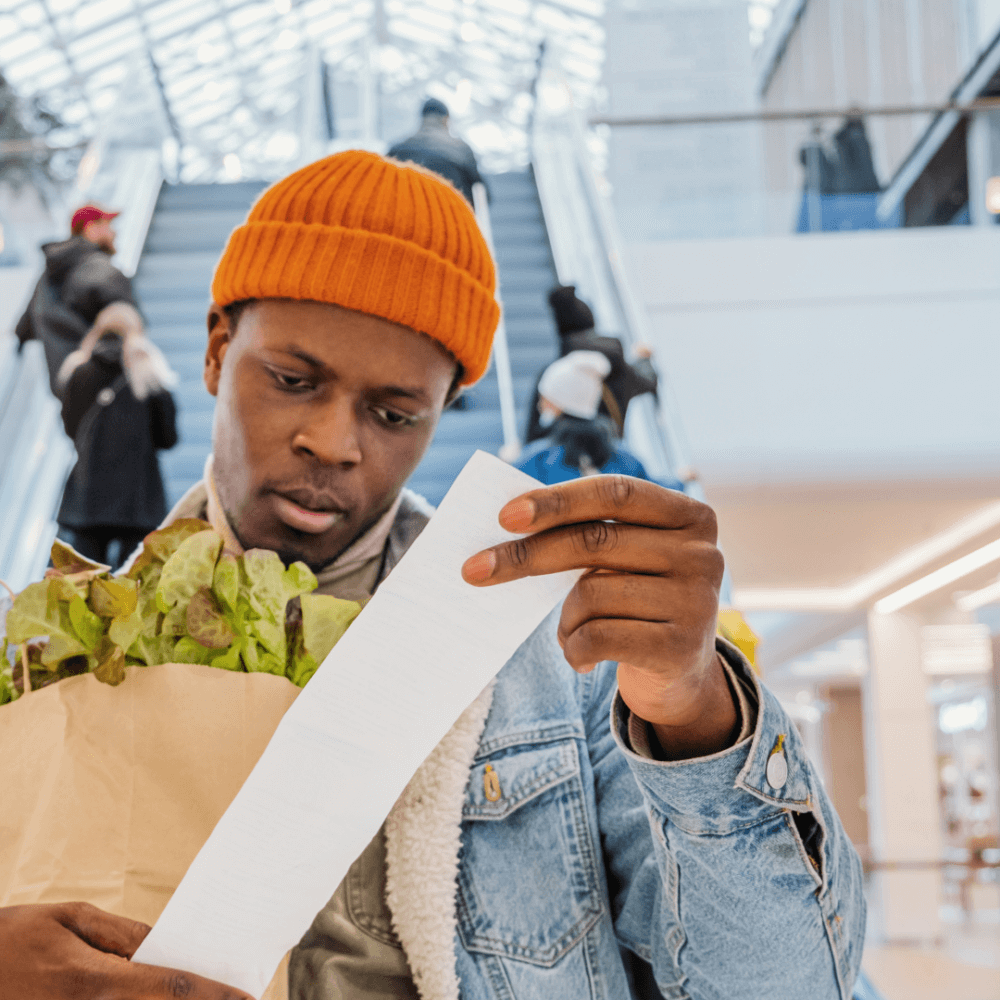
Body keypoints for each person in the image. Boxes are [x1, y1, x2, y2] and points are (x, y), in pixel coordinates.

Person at [0, 151, 865, 1000]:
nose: (335, 444)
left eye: (394, 413)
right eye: (294, 380)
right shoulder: (55, 653)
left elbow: (783, 983)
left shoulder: (569, 667)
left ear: (442, 412)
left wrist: (697, 715)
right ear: (219, 352)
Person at [53, 301, 178, 567]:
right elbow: (168, 438)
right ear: (137, 330)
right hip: (138, 497)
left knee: (84, 581)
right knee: (133, 580)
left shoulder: (78, 371)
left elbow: (70, 429)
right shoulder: (149, 373)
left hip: (89, 495)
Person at [15, 205, 138, 394]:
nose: (114, 232)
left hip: (68, 389)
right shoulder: (102, 271)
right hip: (108, 387)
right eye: (108, 225)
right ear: (90, 228)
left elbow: (25, 328)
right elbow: (129, 323)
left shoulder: (47, 278)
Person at [524, 285, 659, 445]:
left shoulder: (554, 375)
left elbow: (533, 436)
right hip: (610, 460)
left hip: (563, 464)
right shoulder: (618, 369)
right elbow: (648, 379)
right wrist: (643, 358)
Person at [516, 350, 651, 484]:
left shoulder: (537, 461)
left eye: (544, 399)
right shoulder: (627, 461)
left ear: (557, 404)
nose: (539, 405)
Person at [387, 97, 486, 205]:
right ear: (446, 120)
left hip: (407, 214)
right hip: (450, 215)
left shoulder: (397, 150)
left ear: (423, 118)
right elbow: (481, 190)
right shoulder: (462, 149)